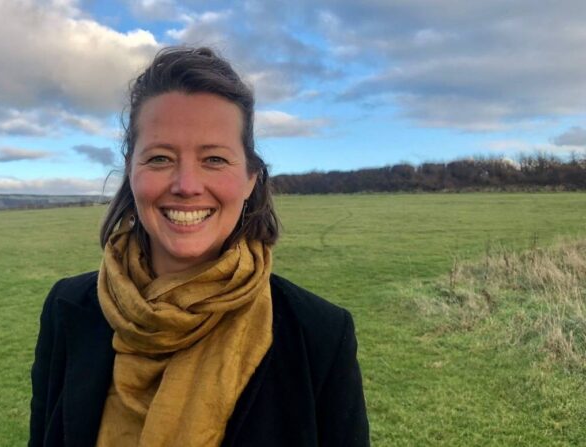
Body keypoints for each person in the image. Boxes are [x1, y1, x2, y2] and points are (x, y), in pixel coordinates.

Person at [29, 46, 369, 447]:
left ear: (250, 179)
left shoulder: (320, 334)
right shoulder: (68, 309)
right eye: (159, 158)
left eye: (213, 159)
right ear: (130, 172)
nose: (187, 185)